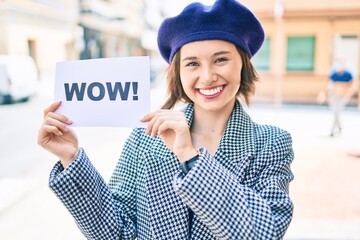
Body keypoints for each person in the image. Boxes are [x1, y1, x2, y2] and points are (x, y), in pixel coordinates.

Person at [38, 0, 294, 239]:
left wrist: (189, 157)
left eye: (221, 60)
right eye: (192, 64)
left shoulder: (271, 143)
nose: (206, 77)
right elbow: (115, 232)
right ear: (178, 73)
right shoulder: (144, 139)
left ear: (243, 64)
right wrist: (71, 158)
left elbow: (266, 231)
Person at [318, 59, 354, 137]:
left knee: (337, 112)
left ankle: (332, 130)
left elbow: (352, 86)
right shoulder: (333, 74)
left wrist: (346, 92)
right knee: (335, 112)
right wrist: (323, 94)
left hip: (343, 96)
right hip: (333, 96)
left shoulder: (348, 74)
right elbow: (327, 84)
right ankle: (339, 127)